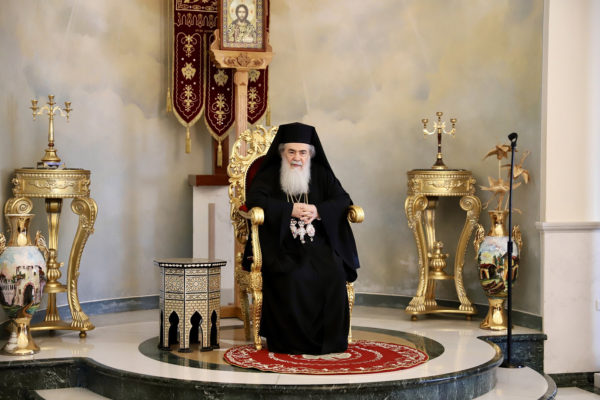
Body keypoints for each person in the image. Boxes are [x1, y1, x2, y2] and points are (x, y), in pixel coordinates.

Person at [243, 122, 360, 355]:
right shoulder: (269, 174)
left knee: (333, 271)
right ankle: (292, 343)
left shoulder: (321, 174)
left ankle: (331, 340)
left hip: (318, 244)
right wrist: (290, 210)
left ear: (311, 153)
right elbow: (255, 200)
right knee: (294, 275)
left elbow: (342, 199)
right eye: (292, 152)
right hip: (281, 244)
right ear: (282, 152)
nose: (297, 158)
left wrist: (318, 210)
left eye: (303, 152)